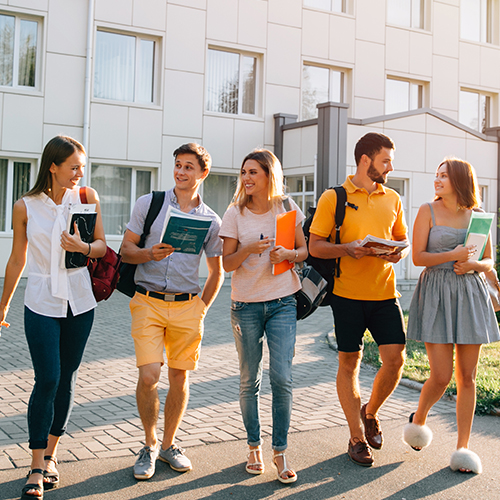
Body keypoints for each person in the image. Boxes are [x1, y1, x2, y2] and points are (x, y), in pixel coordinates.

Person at [0, 136, 107, 499]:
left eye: (82, 166)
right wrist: (3, 304)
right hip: (41, 300)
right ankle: (33, 464)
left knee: (67, 378)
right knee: (48, 378)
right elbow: (17, 258)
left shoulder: (87, 197)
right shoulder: (25, 206)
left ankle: (51, 457)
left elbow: (103, 246)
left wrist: (84, 247)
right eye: (74, 166)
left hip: (80, 300)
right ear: (53, 166)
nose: (80, 173)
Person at [121, 143, 224, 481]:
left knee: (180, 377)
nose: (181, 172)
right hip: (147, 301)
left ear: (202, 173)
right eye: (178, 165)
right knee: (149, 375)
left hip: (187, 306)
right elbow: (125, 251)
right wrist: (149, 254)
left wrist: (202, 309)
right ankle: (149, 445)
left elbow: (217, 271)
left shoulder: (211, 220)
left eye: (188, 167)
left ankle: (168, 445)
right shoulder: (149, 204)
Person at [309, 132, 409, 467]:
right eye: (386, 160)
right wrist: (347, 249)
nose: (390, 167)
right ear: (366, 160)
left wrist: (396, 253)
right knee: (349, 363)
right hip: (346, 296)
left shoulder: (393, 198)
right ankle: (355, 437)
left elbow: (400, 238)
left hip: (385, 293)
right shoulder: (333, 198)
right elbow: (315, 246)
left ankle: (371, 412)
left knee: (395, 360)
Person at [403, 158, 500, 474]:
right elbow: (418, 257)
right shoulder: (426, 211)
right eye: (436, 175)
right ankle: (419, 420)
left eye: (444, 176)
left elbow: (489, 260)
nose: (437, 180)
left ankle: (463, 448)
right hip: (437, 293)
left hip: (470, 295)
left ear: (459, 181)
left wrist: (474, 265)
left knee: (468, 377)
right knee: (442, 375)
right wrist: (455, 255)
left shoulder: (478, 217)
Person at [219, 149, 307, 484]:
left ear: (269, 175)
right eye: (243, 172)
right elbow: (226, 263)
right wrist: (248, 250)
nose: (246, 178)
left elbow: (304, 250)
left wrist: (289, 254)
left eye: (253, 172)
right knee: (249, 380)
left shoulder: (286, 208)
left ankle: (280, 450)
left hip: (283, 301)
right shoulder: (234, 213)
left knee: (282, 377)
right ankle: (254, 445)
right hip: (246, 305)